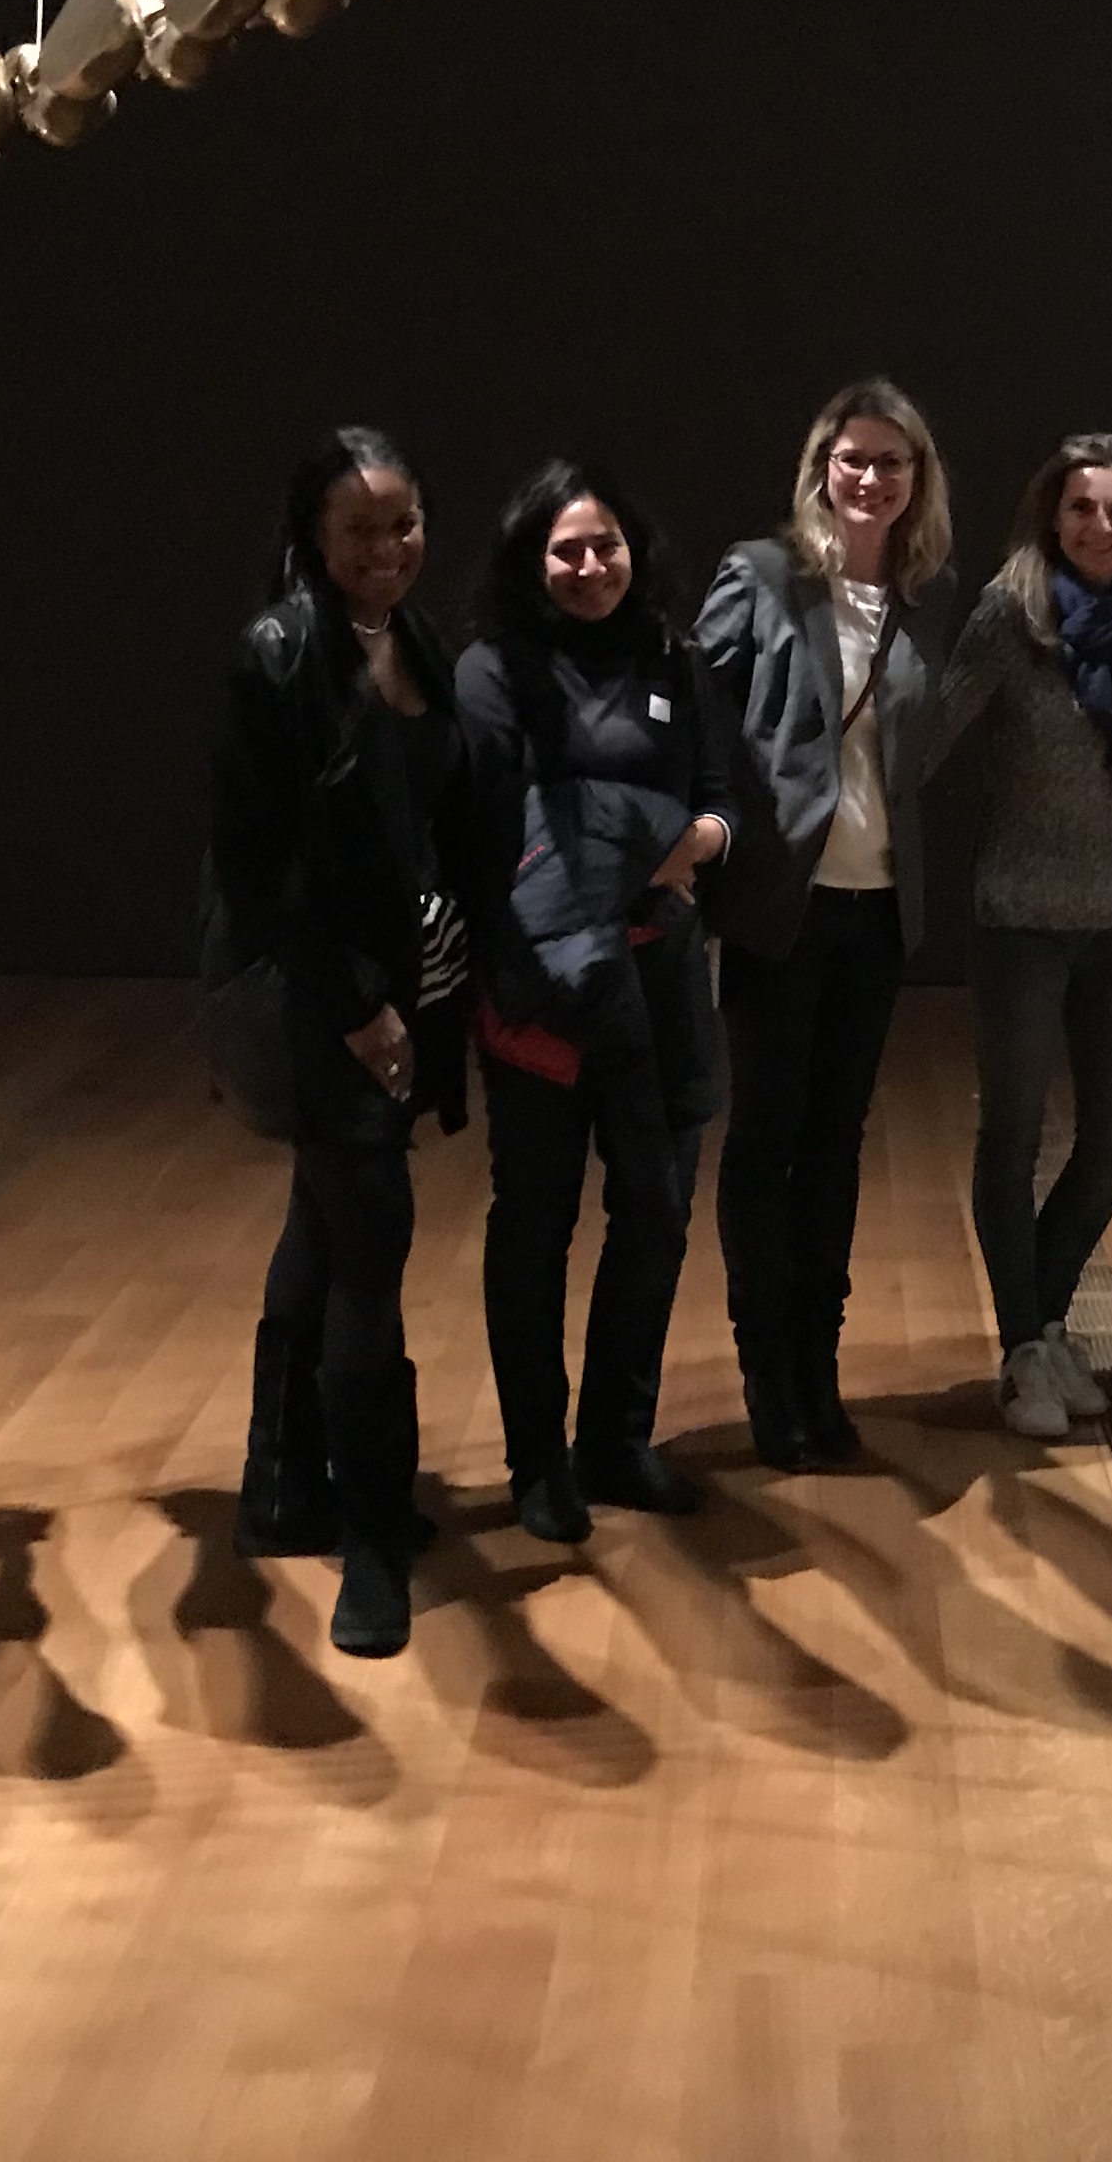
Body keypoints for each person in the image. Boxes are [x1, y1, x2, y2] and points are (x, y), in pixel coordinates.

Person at [206, 429, 471, 1660]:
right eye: (361, 528)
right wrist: (359, 1010)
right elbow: (260, 875)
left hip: (402, 990)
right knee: (373, 1249)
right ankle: (371, 1538)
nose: (388, 547)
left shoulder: (417, 641)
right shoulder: (277, 657)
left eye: (404, 523)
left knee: (325, 1224)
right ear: (314, 536)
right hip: (326, 1003)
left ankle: (278, 1484)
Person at [457, 460, 740, 1544]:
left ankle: (619, 1441)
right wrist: (641, 840)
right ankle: (538, 1462)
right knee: (536, 1220)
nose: (589, 566)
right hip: (542, 985)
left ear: (636, 550)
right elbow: (493, 825)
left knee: (656, 1213)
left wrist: (690, 840)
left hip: (659, 981)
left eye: (606, 545)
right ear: (532, 561)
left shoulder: (674, 656)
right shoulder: (494, 670)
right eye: (566, 549)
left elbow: (720, 802)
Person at [697, 380, 955, 1472]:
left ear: (917, 479)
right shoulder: (762, 576)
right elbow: (701, 717)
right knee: (767, 1141)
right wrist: (717, 836)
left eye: (893, 462)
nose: (871, 478)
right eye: (854, 458)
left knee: (837, 1143)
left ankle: (818, 1364)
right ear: (822, 467)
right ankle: (768, 1372)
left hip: (877, 908)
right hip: (783, 908)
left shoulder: (926, 596)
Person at [924, 434, 1112, 1441]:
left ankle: (1041, 1319)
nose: (1101, 527)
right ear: (1051, 515)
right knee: (1014, 1138)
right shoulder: (1011, 614)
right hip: (1022, 920)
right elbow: (932, 733)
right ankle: (1026, 1347)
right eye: (1083, 508)